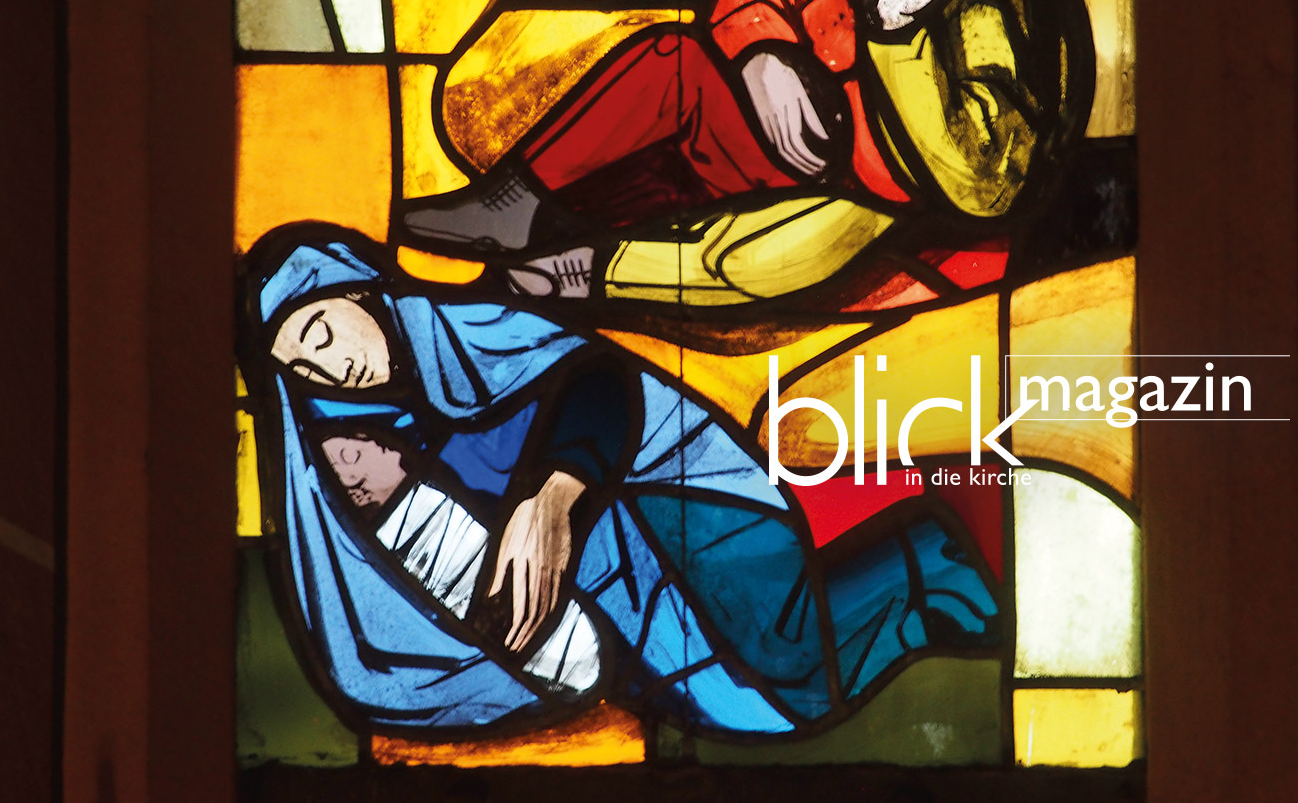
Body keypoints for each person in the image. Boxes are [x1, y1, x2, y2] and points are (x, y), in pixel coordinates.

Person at [245, 224, 1001, 734]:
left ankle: (946, 553)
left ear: (358, 293)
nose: (327, 366)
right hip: (610, 577)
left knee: (788, 664)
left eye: (320, 332)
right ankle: (940, 574)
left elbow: (605, 386)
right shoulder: (371, 434)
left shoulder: (469, 328)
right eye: (301, 367)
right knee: (747, 708)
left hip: (669, 487)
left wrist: (552, 500)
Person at [401, 0, 1091, 306]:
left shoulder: (975, 15)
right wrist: (763, 57)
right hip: (749, 143)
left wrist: (896, 22)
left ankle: (580, 273)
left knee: (757, 261)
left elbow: (980, 183)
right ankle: (509, 209)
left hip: (862, 196)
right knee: (671, 64)